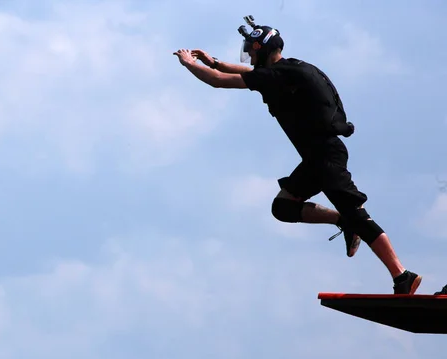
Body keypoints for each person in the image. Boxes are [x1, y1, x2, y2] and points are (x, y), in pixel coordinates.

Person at [173, 16, 422, 295]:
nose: (250, 56)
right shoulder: (288, 69)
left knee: (356, 213)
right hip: (316, 158)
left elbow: (219, 82)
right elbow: (243, 73)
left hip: (326, 156)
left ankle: (402, 275)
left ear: (263, 50)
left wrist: (189, 63)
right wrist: (214, 61)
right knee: (283, 207)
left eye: (252, 51)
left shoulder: (277, 76)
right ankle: (342, 221)